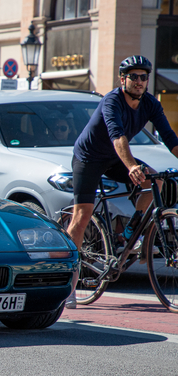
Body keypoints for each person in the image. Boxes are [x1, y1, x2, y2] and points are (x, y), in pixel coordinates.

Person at [65, 55, 178, 309]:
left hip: (116, 158)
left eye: (144, 77)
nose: (139, 81)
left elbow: (170, 137)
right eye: (134, 76)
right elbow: (118, 137)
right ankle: (68, 287)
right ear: (123, 79)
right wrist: (131, 167)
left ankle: (130, 232)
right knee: (82, 216)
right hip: (89, 158)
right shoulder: (111, 101)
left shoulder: (150, 103)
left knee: (155, 182)